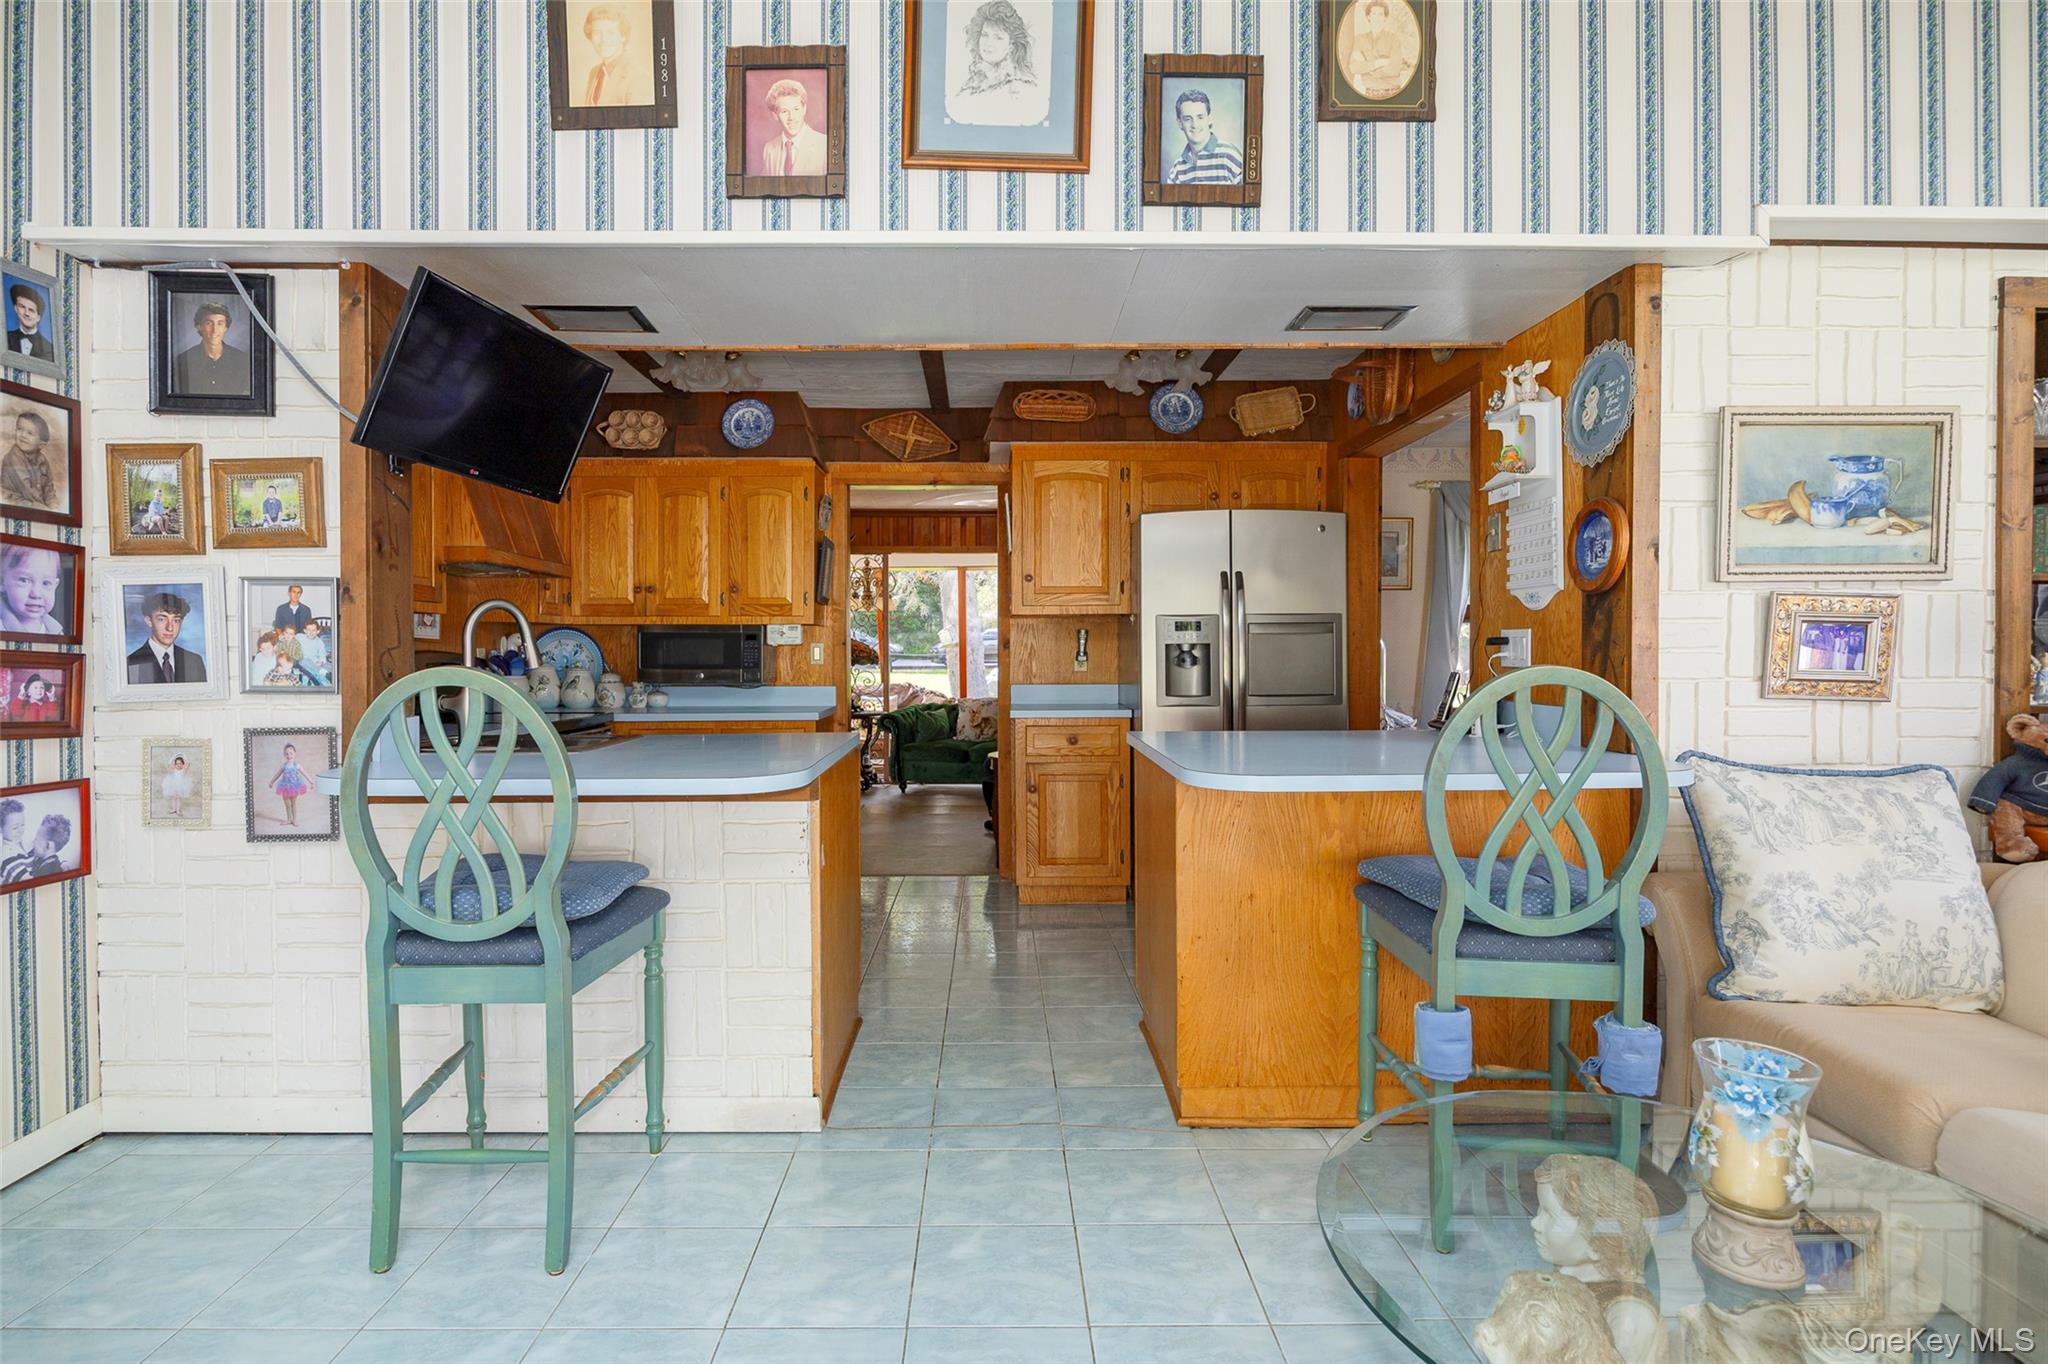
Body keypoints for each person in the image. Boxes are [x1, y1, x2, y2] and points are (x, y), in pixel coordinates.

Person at [124, 589, 208, 684]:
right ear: (149, 621)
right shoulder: (131, 663)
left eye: (176, 620)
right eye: (161, 619)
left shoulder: (194, 661)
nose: (170, 628)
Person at [1164, 89, 1244, 186]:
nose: (1195, 124)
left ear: (1209, 119)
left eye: (1200, 117)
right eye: (1188, 119)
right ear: (1180, 123)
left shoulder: (1230, 156)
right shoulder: (1178, 169)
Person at [171, 301, 251, 396]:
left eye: (220, 324)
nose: (214, 330)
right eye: (209, 323)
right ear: (199, 327)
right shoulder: (183, 360)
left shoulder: (243, 360)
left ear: (226, 328)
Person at [758, 78, 828, 177]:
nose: (791, 117)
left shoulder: (824, 145)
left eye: (796, 109)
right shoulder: (769, 149)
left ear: (804, 109)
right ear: (775, 115)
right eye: (784, 111)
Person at [579, 5, 645, 107]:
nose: (603, 40)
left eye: (610, 33)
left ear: (623, 36)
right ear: (590, 36)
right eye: (597, 33)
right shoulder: (594, 73)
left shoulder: (637, 75)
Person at [0, 542, 67, 637]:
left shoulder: (56, 630)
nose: (36, 594)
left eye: (46, 583)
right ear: (2, 582)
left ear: (55, 586)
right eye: (24, 580)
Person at [1, 409, 57, 511]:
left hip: (35, 503)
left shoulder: (43, 461)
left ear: (41, 444)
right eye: (19, 429)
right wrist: (46, 509)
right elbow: (26, 489)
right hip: (14, 502)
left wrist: (54, 508)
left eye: (30, 433)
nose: (23, 435)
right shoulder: (13, 457)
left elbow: (49, 489)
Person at [1, 811, 72, 885]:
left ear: (48, 846)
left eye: (36, 840)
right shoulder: (44, 859)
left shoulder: (47, 869)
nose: (33, 842)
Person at [267, 742, 311, 827]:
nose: (289, 756)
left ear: (294, 754)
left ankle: (294, 819)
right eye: (287, 754)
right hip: (284, 787)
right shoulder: (283, 766)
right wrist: (271, 782)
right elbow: (277, 774)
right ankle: (288, 819)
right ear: (284, 755)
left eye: (291, 753)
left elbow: (305, 773)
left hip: (294, 787)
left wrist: (311, 781)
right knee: (287, 804)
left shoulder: (297, 765)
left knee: (293, 803)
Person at [6, 282, 54, 361]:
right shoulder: (5, 338)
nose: (26, 313)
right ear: (15, 308)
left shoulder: (49, 349)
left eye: (31, 310)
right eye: (22, 307)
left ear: (38, 317)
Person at [296, 619, 331, 685]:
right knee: (304, 660)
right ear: (305, 631)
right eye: (308, 630)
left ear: (318, 631)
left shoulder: (319, 642)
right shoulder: (299, 637)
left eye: (313, 630)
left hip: (315, 662)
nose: (311, 632)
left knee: (329, 665)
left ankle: (326, 680)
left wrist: (321, 661)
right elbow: (289, 640)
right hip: (302, 660)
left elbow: (322, 655)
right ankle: (322, 674)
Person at [160, 754, 193, 819]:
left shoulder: (183, 770)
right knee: (173, 797)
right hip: (173, 784)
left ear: (183, 764)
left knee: (178, 798)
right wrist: (174, 756)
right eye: (177, 764)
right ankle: (173, 809)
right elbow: (169, 763)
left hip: (181, 785)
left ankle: (178, 810)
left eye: (180, 763)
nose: (178, 765)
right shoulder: (174, 769)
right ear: (175, 765)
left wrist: (183, 755)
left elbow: (188, 763)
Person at [0, 798, 25, 866]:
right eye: (15, 828)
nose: (20, 831)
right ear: (1, 829)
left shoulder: (24, 844)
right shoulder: (8, 856)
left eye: (22, 825)